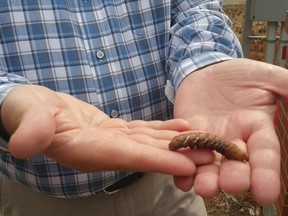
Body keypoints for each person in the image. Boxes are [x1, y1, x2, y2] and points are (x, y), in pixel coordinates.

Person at [0, 0, 286, 215]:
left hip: (169, 183)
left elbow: (195, 7)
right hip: (35, 199)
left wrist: (206, 62)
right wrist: (7, 98)